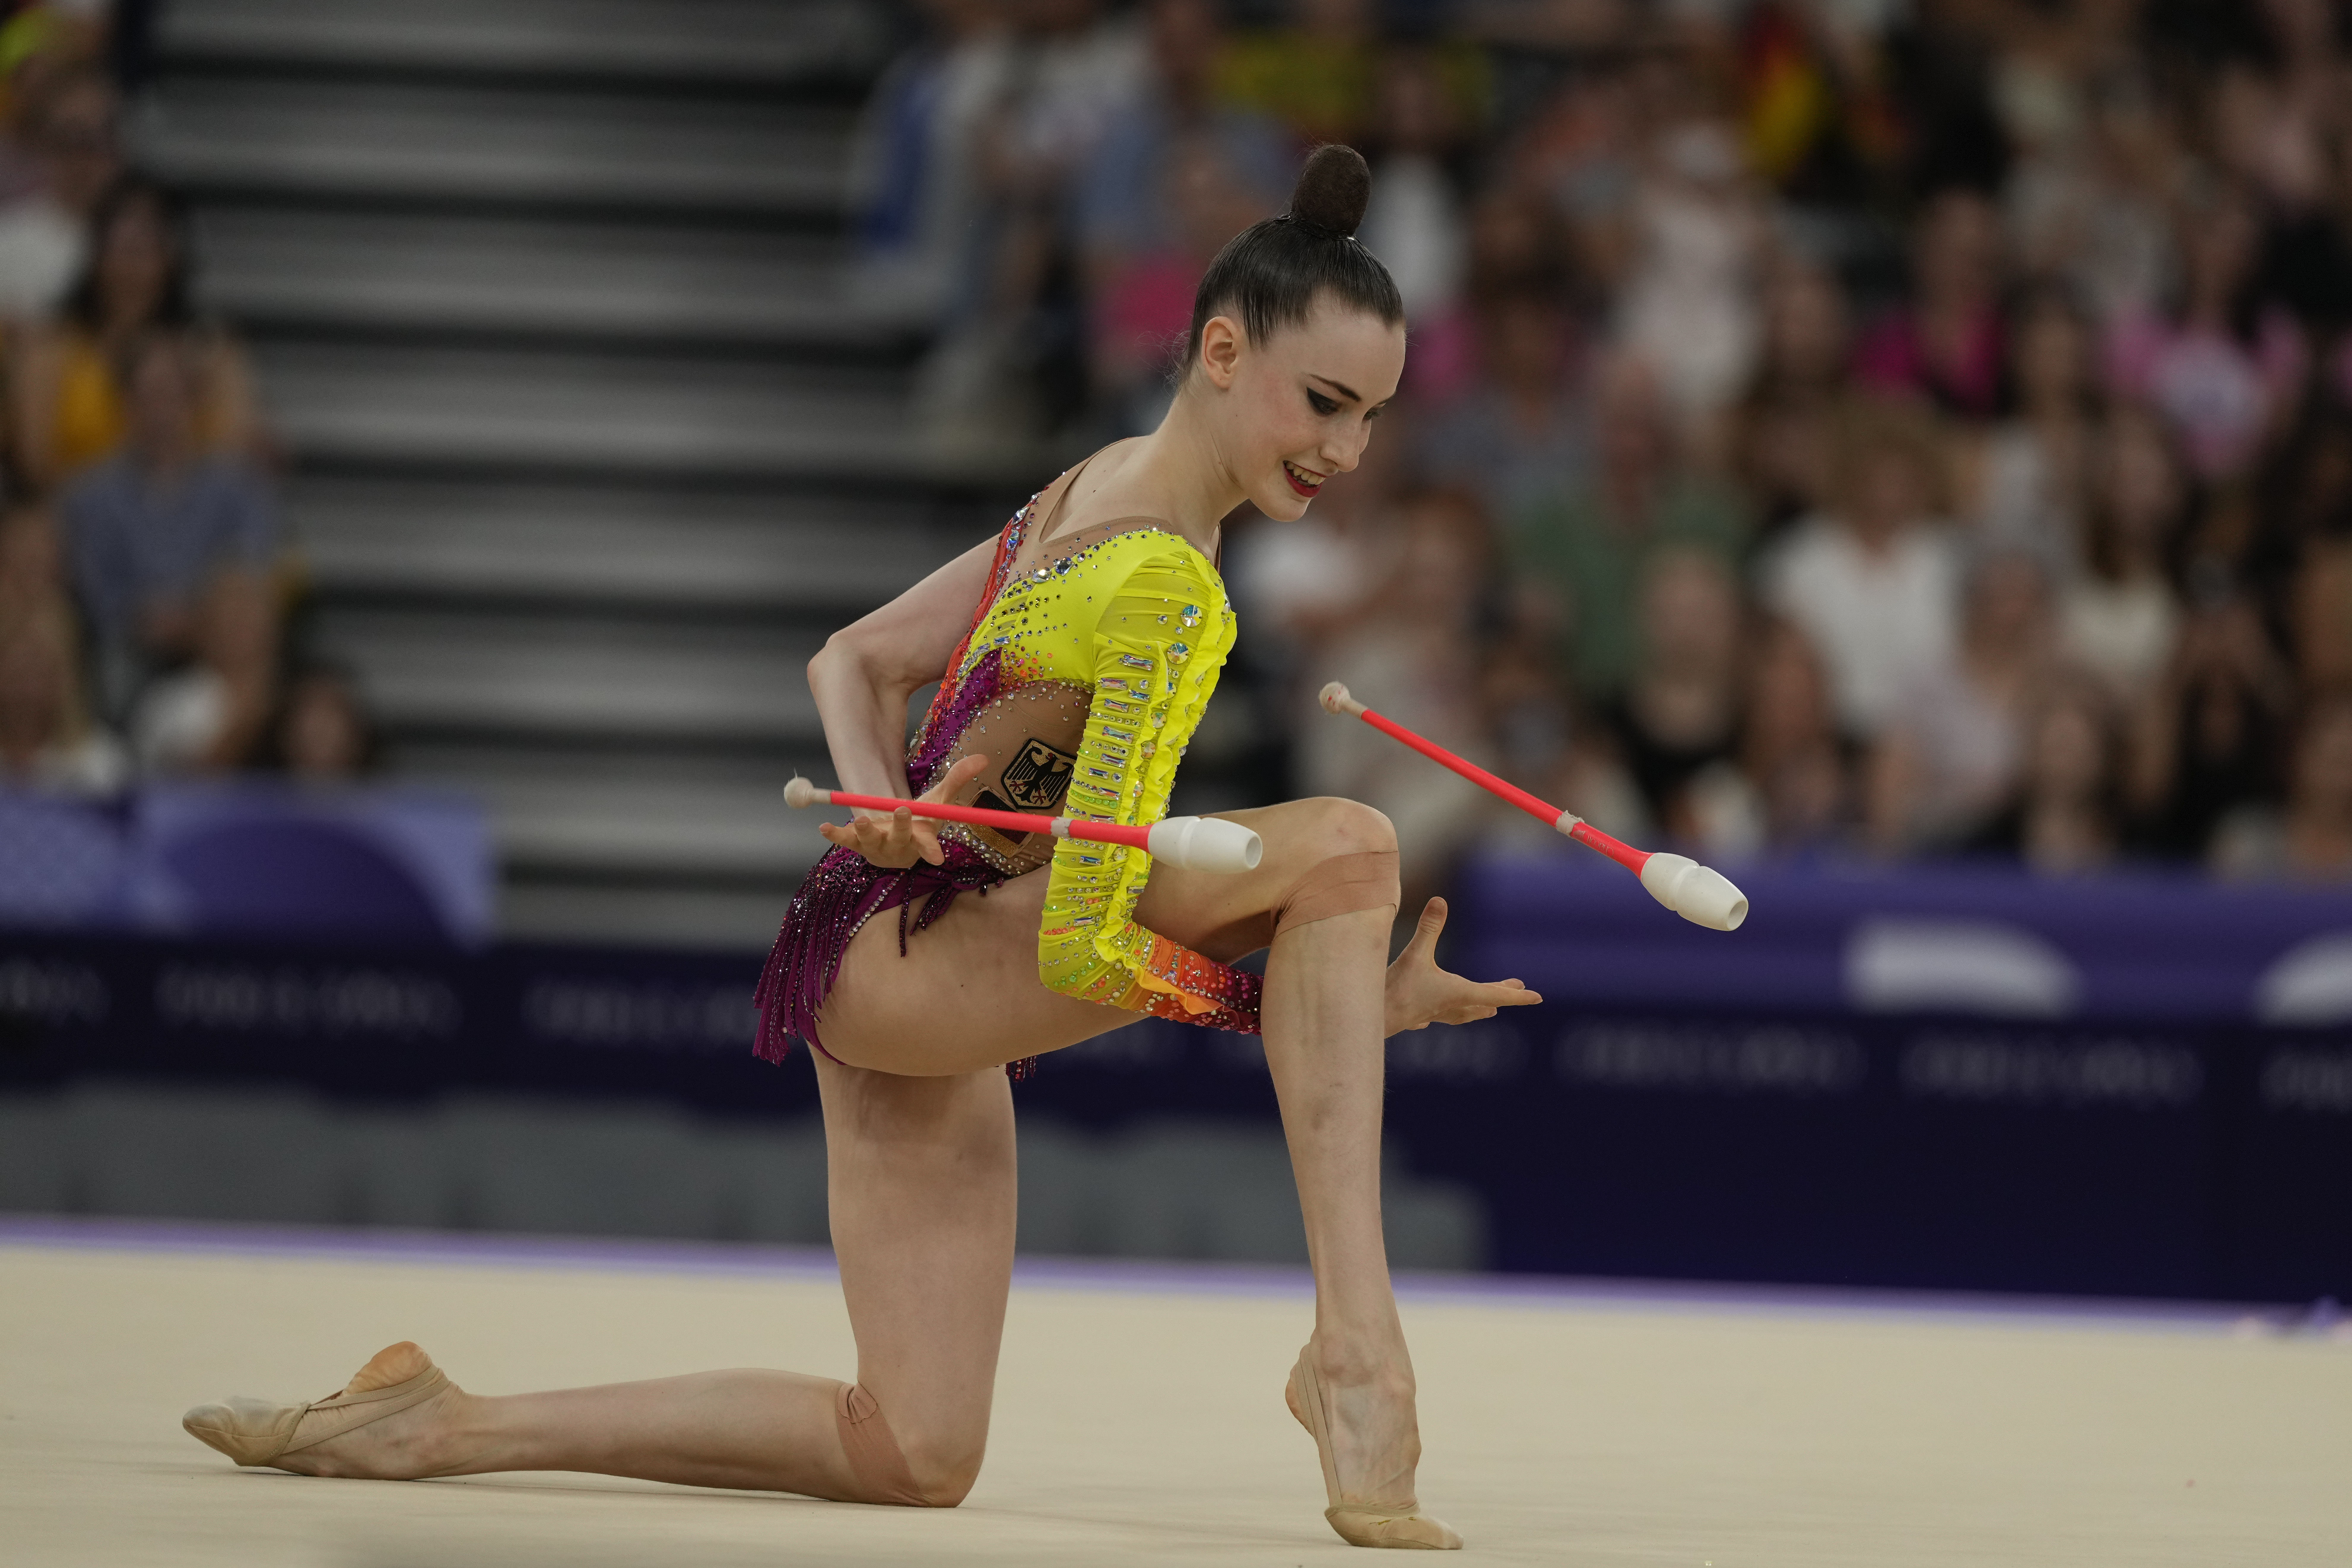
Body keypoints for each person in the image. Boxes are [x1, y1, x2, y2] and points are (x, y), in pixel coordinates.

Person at [178, 146, 1537, 1553]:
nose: (1347, 452)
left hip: (883, 947)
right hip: (930, 959)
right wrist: (1277, 1004)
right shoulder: (1176, 590)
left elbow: (852, 661)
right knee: (1351, 842)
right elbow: (1082, 941)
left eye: (1372, 416)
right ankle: (1358, 1354)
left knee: (911, 1447)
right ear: (1217, 348)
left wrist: (878, 799)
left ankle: (439, 1419)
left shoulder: (1099, 483)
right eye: (1323, 403)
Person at [59, 329, 281, 768]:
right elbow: (94, 590)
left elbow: (250, 572)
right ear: (124, 405)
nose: (160, 411)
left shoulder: (237, 488)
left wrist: (201, 620)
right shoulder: (89, 497)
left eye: (171, 395)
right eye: (146, 396)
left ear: (193, 403)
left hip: (221, 649)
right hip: (130, 648)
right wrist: (144, 617)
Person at [12, 174, 261, 491]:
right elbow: (35, 462)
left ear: (173, 258)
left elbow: (231, 455)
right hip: (74, 522)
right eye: (121, 247)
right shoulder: (52, 347)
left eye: (147, 249)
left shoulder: (211, 351)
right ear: (95, 254)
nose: (131, 267)